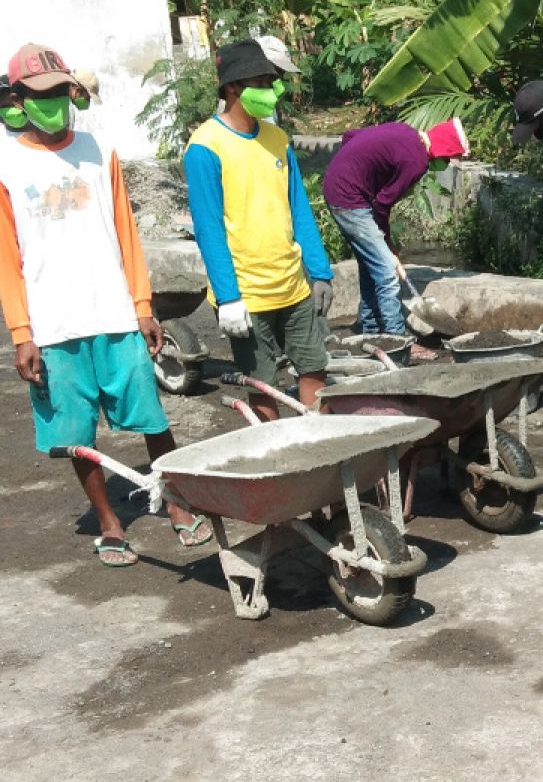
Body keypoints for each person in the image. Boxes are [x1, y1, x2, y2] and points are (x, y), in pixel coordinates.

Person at [0, 43, 212, 567]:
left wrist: (143, 304)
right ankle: (110, 523)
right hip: (53, 325)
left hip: (113, 310)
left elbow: (127, 233)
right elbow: (6, 258)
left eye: (61, 92)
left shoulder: (100, 149)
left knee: (151, 416)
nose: (54, 104)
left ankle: (178, 504)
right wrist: (21, 333)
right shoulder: (6, 163)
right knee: (75, 434)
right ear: (19, 100)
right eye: (41, 95)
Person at [183, 39, 333, 420]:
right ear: (233, 87)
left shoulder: (277, 140)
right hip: (247, 296)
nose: (272, 91)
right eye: (263, 82)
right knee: (262, 381)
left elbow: (299, 209)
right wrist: (229, 297)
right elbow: (209, 229)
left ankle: (322, 445)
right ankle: (276, 461)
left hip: (291, 285)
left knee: (314, 367)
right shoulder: (205, 147)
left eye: (271, 81)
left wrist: (319, 271)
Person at [321, 117, 469, 338]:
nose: (446, 164)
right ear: (442, 150)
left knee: (371, 266)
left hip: (340, 187)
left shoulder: (404, 131)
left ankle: (370, 330)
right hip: (349, 199)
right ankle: (396, 339)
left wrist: (360, 170)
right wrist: (386, 240)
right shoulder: (416, 160)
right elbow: (383, 204)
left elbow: (350, 136)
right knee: (388, 272)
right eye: (449, 159)